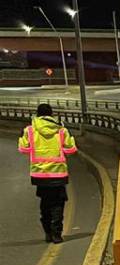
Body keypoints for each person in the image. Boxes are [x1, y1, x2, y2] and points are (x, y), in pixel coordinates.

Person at [17, 103, 77, 244]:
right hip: (58, 173)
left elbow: (23, 149)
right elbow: (71, 149)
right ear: (51, 114)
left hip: (40, 174)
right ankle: (57, 234)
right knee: (58, 203)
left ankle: (48, 232)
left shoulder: (30, 130)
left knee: (45, 202)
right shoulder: (61, 130)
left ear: (37, 114)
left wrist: (24, 140)